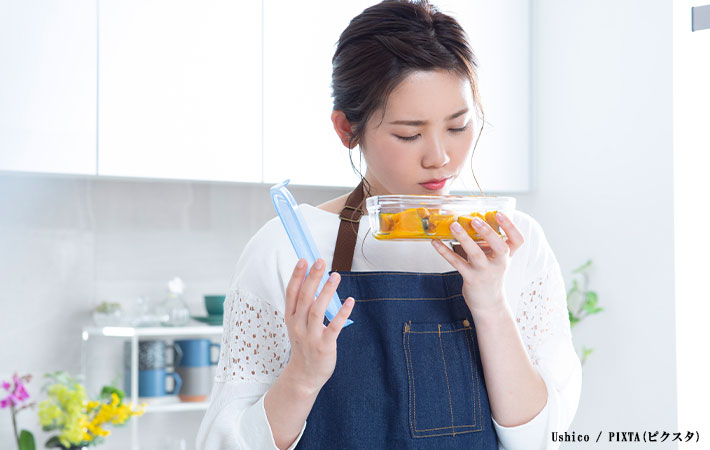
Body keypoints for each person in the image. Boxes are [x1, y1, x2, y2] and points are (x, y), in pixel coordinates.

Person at [196, 1, 582, 449]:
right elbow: (219, 444)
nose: (440, 157)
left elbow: (545, 438)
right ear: (346, 130)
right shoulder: (288, 249)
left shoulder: (515, 245)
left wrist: (492, 304)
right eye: (408, 134)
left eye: (458, 126)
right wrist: (301, 377)